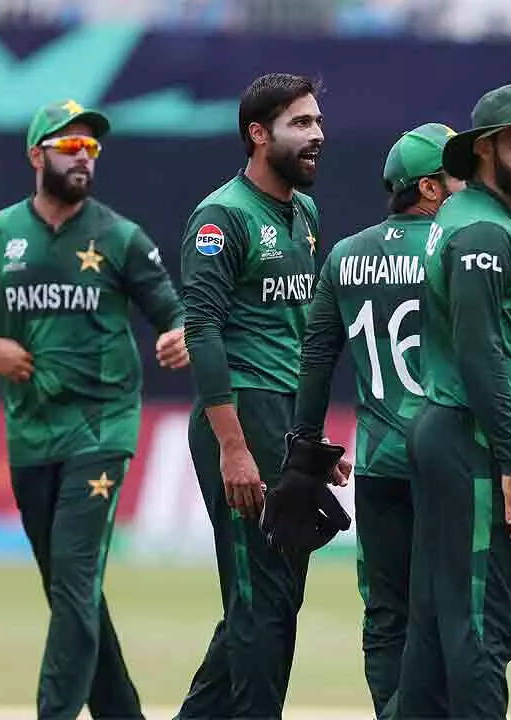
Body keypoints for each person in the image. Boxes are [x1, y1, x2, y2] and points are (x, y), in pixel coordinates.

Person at [0, 99, 186, 720]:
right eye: (70, 147)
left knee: (74, 582)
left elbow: (174, 313)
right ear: (37, 156)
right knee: (71, 591)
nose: (83, 158)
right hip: (31, 431)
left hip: (102, 427)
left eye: (91, 148)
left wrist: (181, 335)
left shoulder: (120, 238)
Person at [398, 82, 511, 717]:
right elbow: (478, 355)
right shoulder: (482, 231)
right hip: (472, 439)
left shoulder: (485, 219)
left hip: (455, 433)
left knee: (435, 626)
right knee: (483, 625)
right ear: (482, 150)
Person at [176, 73, 337, 719]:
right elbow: (201, 330)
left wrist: (308, 439)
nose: (318, 134)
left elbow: (296, 334)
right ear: (258, 134)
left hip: (286, 420)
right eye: (301, 123)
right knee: (259, 601)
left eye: (318, 121)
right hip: (243, 411)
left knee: (274, 599)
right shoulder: (222, 217)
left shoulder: (306, 214)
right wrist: (234, 447)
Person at [293, 122, 464, 716]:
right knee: (479, 610)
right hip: (450, 459)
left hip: (379, 460)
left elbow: (317, 356)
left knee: (387, 614)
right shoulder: (461, 247)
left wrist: (306, 448)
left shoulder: (345, 254)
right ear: (430, 188)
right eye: (458, 176)